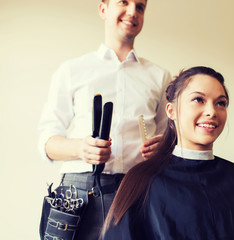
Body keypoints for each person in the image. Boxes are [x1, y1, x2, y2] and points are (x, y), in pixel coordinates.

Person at [101, 66, 234, 240]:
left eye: (221, 103)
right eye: (198, 100)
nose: (211, 111)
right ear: (171, 111)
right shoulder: (142, 181)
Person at [38, 0, 171, 239]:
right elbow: (46, 142)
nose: (132, 11)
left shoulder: (160, 77)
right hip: (77, 195)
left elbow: (169, 142)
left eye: (140, 7)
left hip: (136, 193)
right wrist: (81, 148)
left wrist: (162, 150)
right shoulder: (71, 71)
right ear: (103, 9)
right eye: (124, 2)